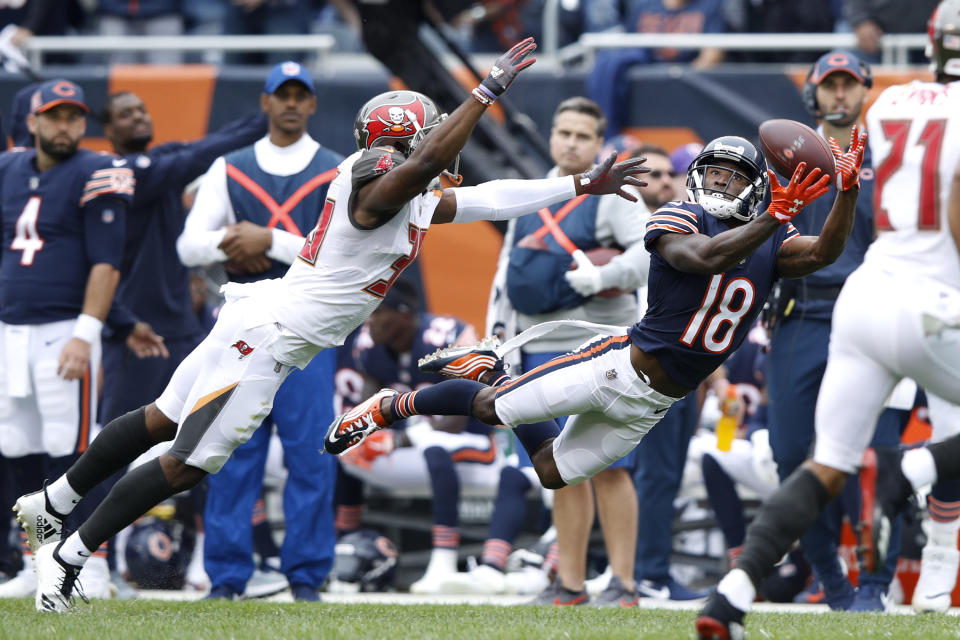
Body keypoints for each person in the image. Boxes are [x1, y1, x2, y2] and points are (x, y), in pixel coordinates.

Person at [13, 37, 645, 613]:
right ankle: (67, 559)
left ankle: (53, 503)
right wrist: (481, 94)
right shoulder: (375, 186)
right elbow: (425, 167)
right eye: (428, 133)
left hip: (262, 316)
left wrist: (576, 185)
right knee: (187, 461)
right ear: (406, 141)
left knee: (161, 417)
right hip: (268, 339)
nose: (440, 145)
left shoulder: (402, 189)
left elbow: (490, 195)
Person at [329, 131, 865, 610]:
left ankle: (490, 369)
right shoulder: (677, 215)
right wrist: (774, 215)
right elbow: (703, 258)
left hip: (654, 405)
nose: (720, 184)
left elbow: (824, 253)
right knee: (494, 408)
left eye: (733, 177)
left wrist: (846, 193)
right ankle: (391, 406)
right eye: (714, 172)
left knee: (551, 471)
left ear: (756, 187)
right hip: (615, 368)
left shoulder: (772, 236)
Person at [695, 3, 960, 636]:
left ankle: (730, 598)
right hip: (930, 301)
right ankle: (914, 472)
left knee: (826, 463)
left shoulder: (894, 107)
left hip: (865, 301)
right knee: (835, 456)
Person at [469, 96, 650, 607]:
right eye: (562, 132)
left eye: (581, 135)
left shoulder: (612, 191)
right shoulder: (535, 188)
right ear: (550, 136)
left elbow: (651, 250)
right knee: (556, 466)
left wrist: (604, 276)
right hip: (536, 348)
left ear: (599, 143)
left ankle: (623, 583)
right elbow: (507, 271)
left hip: (599, 347)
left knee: (611, 467)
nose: (570, 143)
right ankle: (568, 583)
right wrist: (495, 340)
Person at [175, 60, 343, 603]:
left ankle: (307, 576)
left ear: (312, 104)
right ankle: (226, 576)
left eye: (301, 94)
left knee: (311, 456)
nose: (292, 103)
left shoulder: (339, 171)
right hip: (243, 325)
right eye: (282, 94)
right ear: (266, 102)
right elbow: (188, 246)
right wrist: (235, 241)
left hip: (308, 329)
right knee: (226, 453)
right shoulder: (230, 167)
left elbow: (338, 259)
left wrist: (265, 239)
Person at [766, 49, 903, 612]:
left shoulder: (892, 156)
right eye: (830, 85)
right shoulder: (783, 155)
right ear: (813, 93)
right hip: (802, 311)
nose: (840, 94)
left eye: (850, 84)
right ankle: (834, 582)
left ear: (866, 90)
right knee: (791, 452)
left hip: (872, 310)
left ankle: (873, 585)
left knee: (882, 456)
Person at [0, 80, 134, 599]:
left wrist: (85, 333)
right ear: (31, 122)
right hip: (11, 329)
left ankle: (89, 564)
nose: (66, 126)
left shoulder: (96, 171)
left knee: (74, 449)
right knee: (16, 446)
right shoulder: (8, 170)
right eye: (54, 116)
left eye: (74, 116)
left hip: (63, 331)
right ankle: (37, 562)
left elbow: (107, 262)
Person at [334, 279, 504, 594]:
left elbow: (461, 416)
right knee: (346, 453)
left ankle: (443, 561)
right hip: (421, 449)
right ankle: (344, 543)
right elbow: (371, 409)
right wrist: (366, 438)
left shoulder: (445, 337)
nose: (368, 321)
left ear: (404, 313)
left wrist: (399, 441)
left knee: (435, 445)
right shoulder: (369, 349)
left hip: (475, 444)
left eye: (377, 312)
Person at [627, 144, 705, 602]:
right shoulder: (627, 220)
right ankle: (645, 571)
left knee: (665, 475)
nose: (664, 181)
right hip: (640, 365)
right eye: (654, 172)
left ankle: (640, 568)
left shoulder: (691, 227)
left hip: (679, 366)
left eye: (671, 174)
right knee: (650, 475)